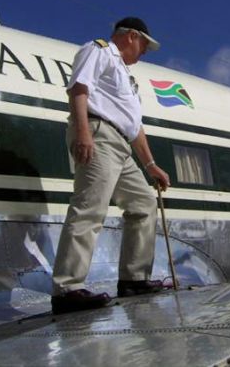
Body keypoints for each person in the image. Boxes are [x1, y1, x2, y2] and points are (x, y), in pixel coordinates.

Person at [51, 17, 171, 315]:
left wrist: (151, 164)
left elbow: (134, 126)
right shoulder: (99, 50)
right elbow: (79, 88)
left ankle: (134, 279)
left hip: (121, 144)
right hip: (99, 133)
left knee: (143, 203)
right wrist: (82, 132)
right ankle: (67, 287)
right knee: (90, 206)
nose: (144, 52)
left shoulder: (128, 78)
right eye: (144, 44)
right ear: (131, 36)